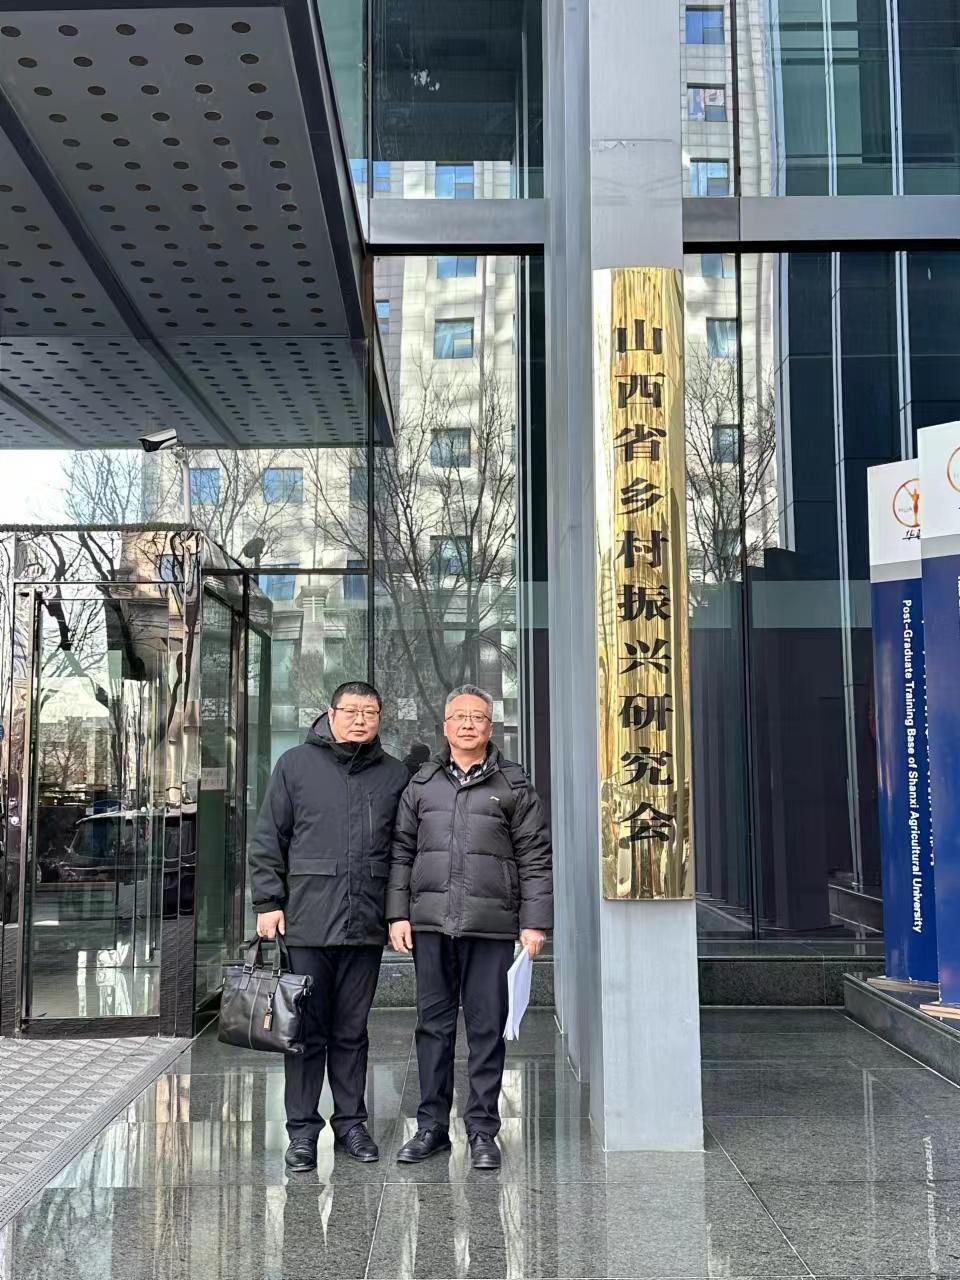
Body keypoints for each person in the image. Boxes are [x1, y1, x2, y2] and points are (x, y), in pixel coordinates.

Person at [386, 684, 553, 1170]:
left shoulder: (513, 785)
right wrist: (397, 913)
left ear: (489, 727)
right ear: (445, 727)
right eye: (459, 716)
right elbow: (401, 852)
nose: (467, 724)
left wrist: (534, 922)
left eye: (477, 717)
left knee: (486, 1029)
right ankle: (432, 1127)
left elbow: (535, 857)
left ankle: (482, 1131)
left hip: (491, 926)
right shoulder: (421, 784)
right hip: (431, 925)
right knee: (432, 1028)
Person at [249, 680, 409, 1170]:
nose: (360, 719)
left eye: (370, 712)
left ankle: (351, 1125)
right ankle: (301, 1132)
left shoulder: (394, 775)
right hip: (307, 920)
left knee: (352, 1030)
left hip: (365, 922)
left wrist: (396, 912)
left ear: (379, 718)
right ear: (331, 713)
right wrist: (268, 901)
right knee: (304, 1030)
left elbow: (403, 852)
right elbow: (269, 837)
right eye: (351, 710)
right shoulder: (296, 765)